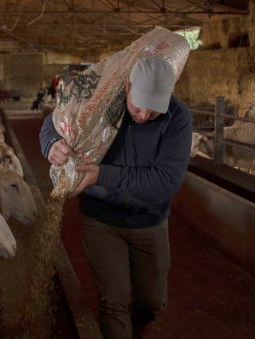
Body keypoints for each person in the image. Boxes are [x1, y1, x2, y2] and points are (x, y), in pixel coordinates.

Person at [39, 56, 192, 339]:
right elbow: (54, 119)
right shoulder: (102, 100)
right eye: (139, 104)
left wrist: (102, 175)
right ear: (127, 86)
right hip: (101, 217)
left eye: (154, 109)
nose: (144, 115)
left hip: (149, 220)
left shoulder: (177, 117)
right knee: (113, 302)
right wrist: (51, 142)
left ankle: (137, 324)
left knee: (153, 301)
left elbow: (167, 181)